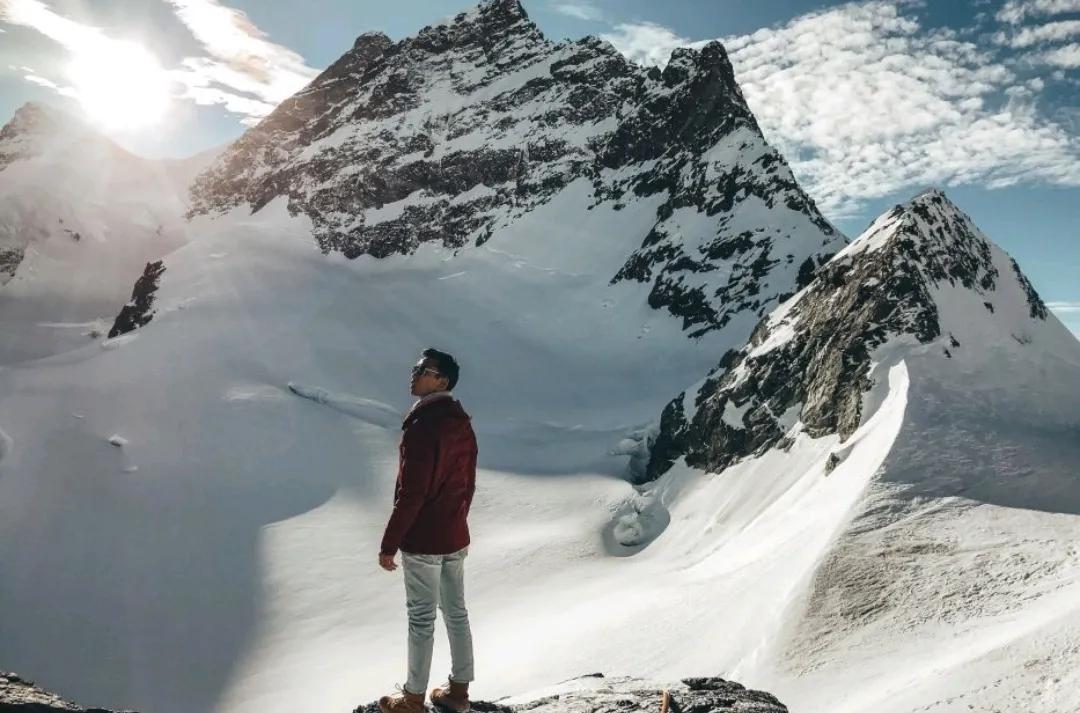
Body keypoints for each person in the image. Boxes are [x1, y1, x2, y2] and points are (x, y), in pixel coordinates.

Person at [378, 348, 478, 713]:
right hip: (455, 534)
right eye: (417, 367)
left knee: (421, 619)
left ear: (442, 381)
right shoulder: (461, 422)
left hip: (424, 540)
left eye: (423, 370)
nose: (415, 373)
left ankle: (412, 700)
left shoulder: (423, 426)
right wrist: (457, 521)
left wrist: (390, 543)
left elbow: (412, 493)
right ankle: (458, 693)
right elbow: (468, 483)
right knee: (456, 612)